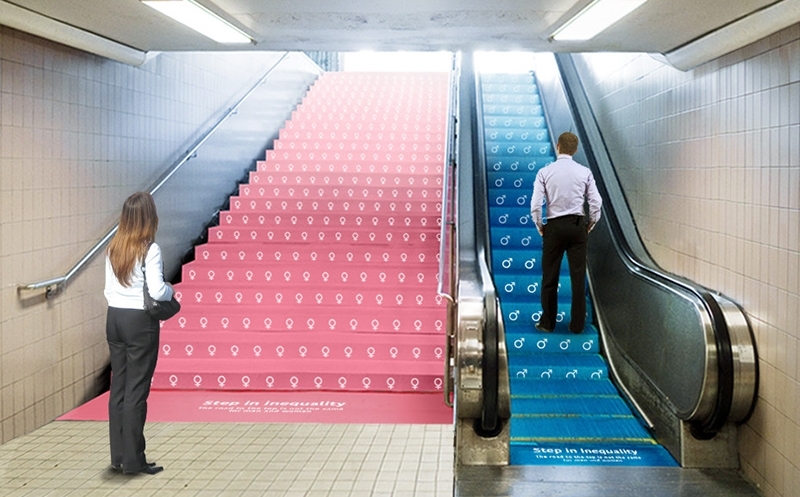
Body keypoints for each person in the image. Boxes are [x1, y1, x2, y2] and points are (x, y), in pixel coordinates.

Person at [104, 192, 172, 475]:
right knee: (136, 391)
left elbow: (109, 287)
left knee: (118, 387)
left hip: (114, 319)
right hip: (138, 323)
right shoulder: (149, 249)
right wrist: (172, 291)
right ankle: (134, 461)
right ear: (149, 217)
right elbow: (157, 291)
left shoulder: (113, 246)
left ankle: (119, 456)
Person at [530, 132, 602, 334]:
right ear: (575, 149)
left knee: (550, 276)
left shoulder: (545, 172)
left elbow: (536, 204)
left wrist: (539, 225)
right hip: (577, 225)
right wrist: (591, 223)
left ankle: (548, 322)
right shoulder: (584, 172)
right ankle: (577, 325)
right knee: (578, 277)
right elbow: (596, 201)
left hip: (554, 226)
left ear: (558, 146)